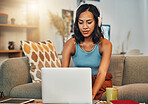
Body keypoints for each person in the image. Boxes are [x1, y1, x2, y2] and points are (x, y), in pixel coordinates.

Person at [62, 3, 112, 100]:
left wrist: (92, 95)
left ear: (97, 22)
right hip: (78, 82)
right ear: (77, 23)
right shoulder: (70, 44)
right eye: (81, 23)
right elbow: (64, 72)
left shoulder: (105, 45)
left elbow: (102, 73)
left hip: (98, 83)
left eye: (89, 22)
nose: (84, 27)